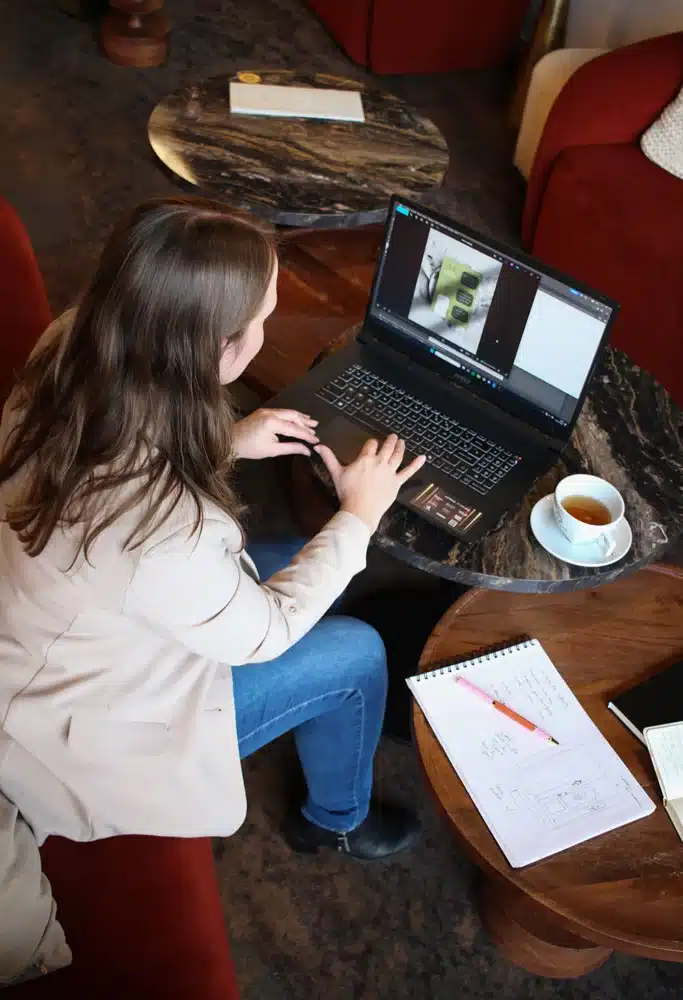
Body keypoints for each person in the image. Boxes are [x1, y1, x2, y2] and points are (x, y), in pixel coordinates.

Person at [0, 197, 426, 861]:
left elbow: (110, 460)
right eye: (261, 319)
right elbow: (266, 633)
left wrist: (226, 440)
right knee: (356, 653)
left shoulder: (75, 341)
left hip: (58, 629)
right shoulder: (167, 531)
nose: (265, 327)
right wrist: (359, 513)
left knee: (299, 560)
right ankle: (335, 819)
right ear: (221, 348)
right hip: (81, 728)